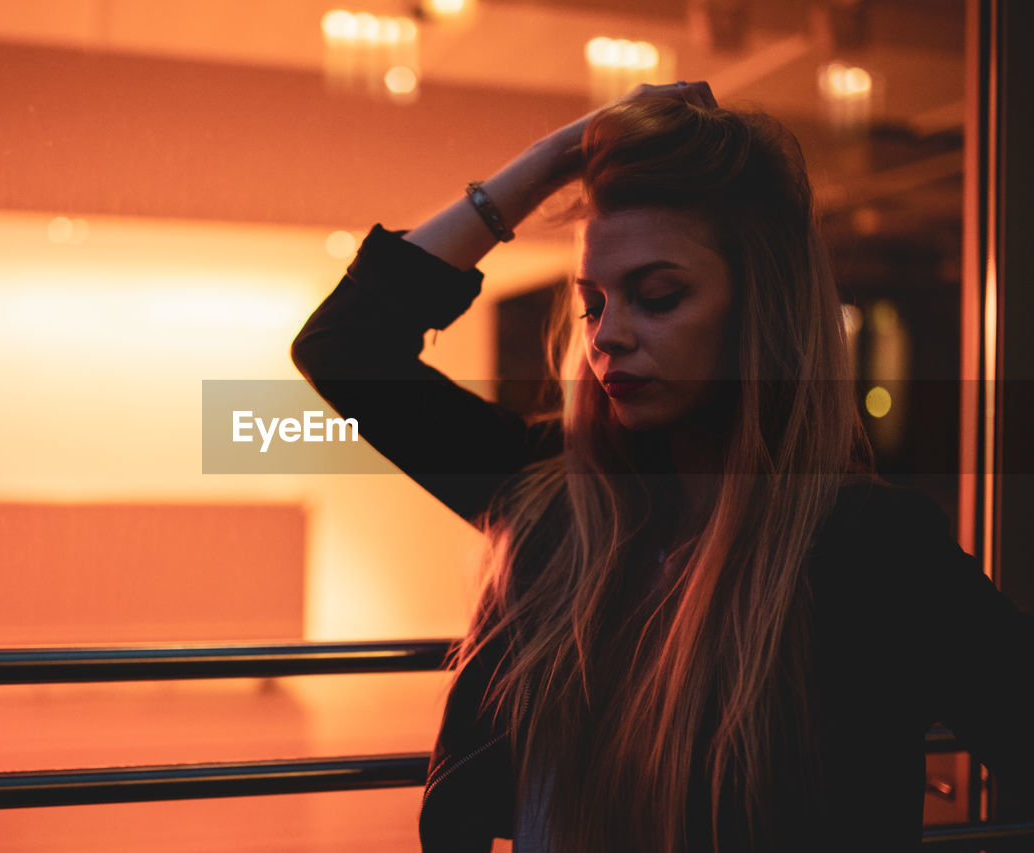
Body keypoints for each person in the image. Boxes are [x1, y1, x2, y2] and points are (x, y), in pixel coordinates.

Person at [290, 82, 1034, 852]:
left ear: (758, 309)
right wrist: (553, 161)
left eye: (659, 295)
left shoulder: (866, 544)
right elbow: (345, 348)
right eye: (595, 302)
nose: (608, 336)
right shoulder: (552, 491)